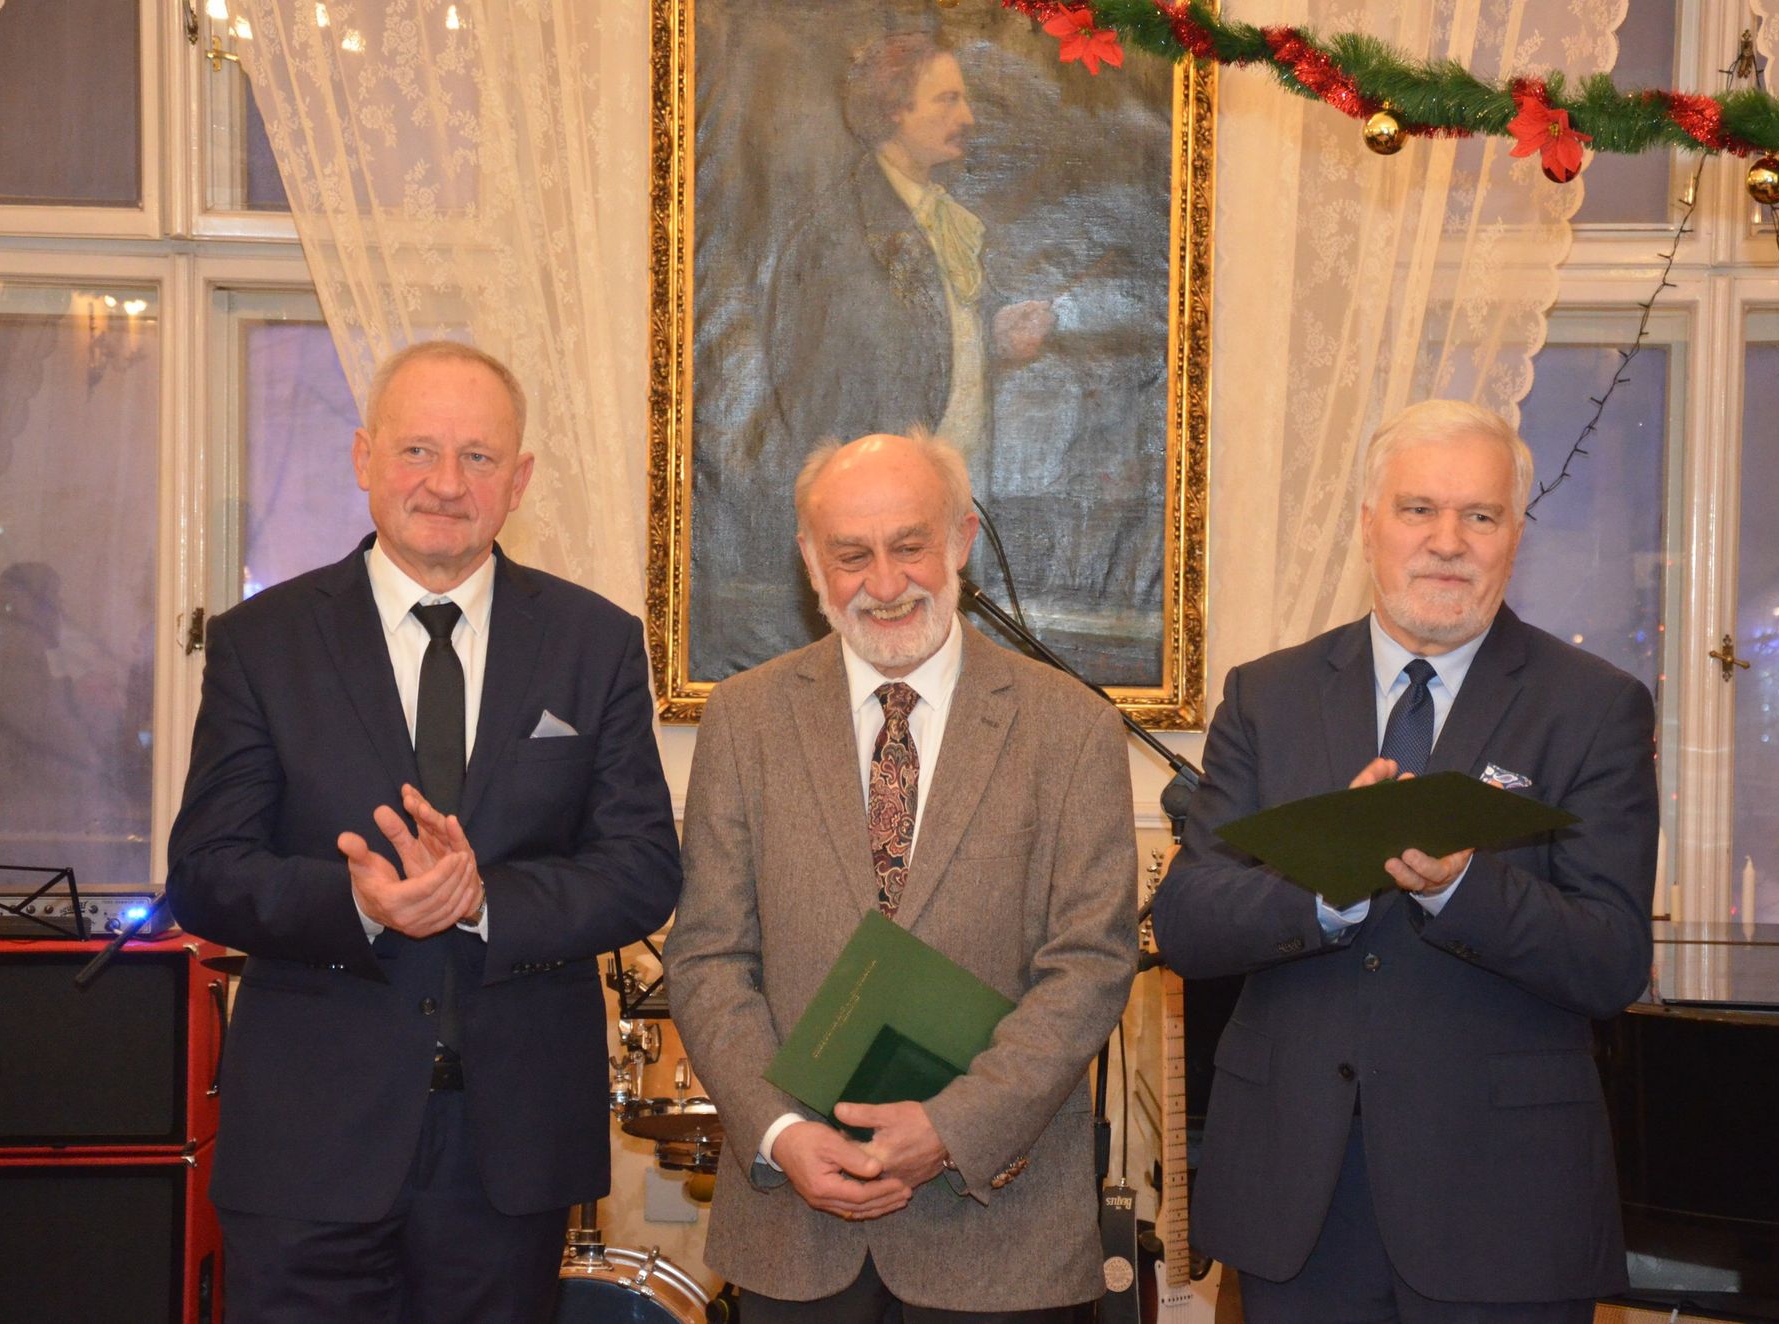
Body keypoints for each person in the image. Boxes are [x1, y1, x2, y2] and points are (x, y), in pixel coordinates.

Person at [166, 341, 681, 1324]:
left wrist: (486, 901)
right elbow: (205, 871)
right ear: (364, 458)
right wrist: (357, 902)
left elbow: (642, 868)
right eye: (418, 451)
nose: (446, 483)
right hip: (310, 1144)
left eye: (478, 457)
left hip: (510, 1150)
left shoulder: (595, 642)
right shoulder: (263, 641)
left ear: (518, 480)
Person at [1153, 399, 1658, 1323]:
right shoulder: (1266, 696)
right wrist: (1327, 883)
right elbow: (1186, 923)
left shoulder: (1594, 707)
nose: (1447, 542)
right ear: (1368, 526)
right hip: (1296, 1204)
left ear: (1514, 537)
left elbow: (1612, 958)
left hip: (1504, 1207)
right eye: (1418, 509)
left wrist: (1464, 886)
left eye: (1481, 516)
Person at [665, 431, 1136, 1322]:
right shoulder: (744, 719)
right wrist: (780, 1133)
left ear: (961, 540)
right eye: (852, 556)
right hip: (794, 1237)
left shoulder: (1071, 728)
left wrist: (954, 1128)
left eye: (909, 546)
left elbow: (1091, 966)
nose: (885, 584)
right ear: (812, 562)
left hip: (1004, 1244)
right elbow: (708, 958)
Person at [763, 34, 1054, 467]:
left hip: (963, 484)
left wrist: (995, 333)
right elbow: (815, 396)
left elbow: (938, 335)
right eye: (948, 100)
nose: (968, 117)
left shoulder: (947, 216)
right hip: (883, 486)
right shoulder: (834, 235)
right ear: (894, 108)